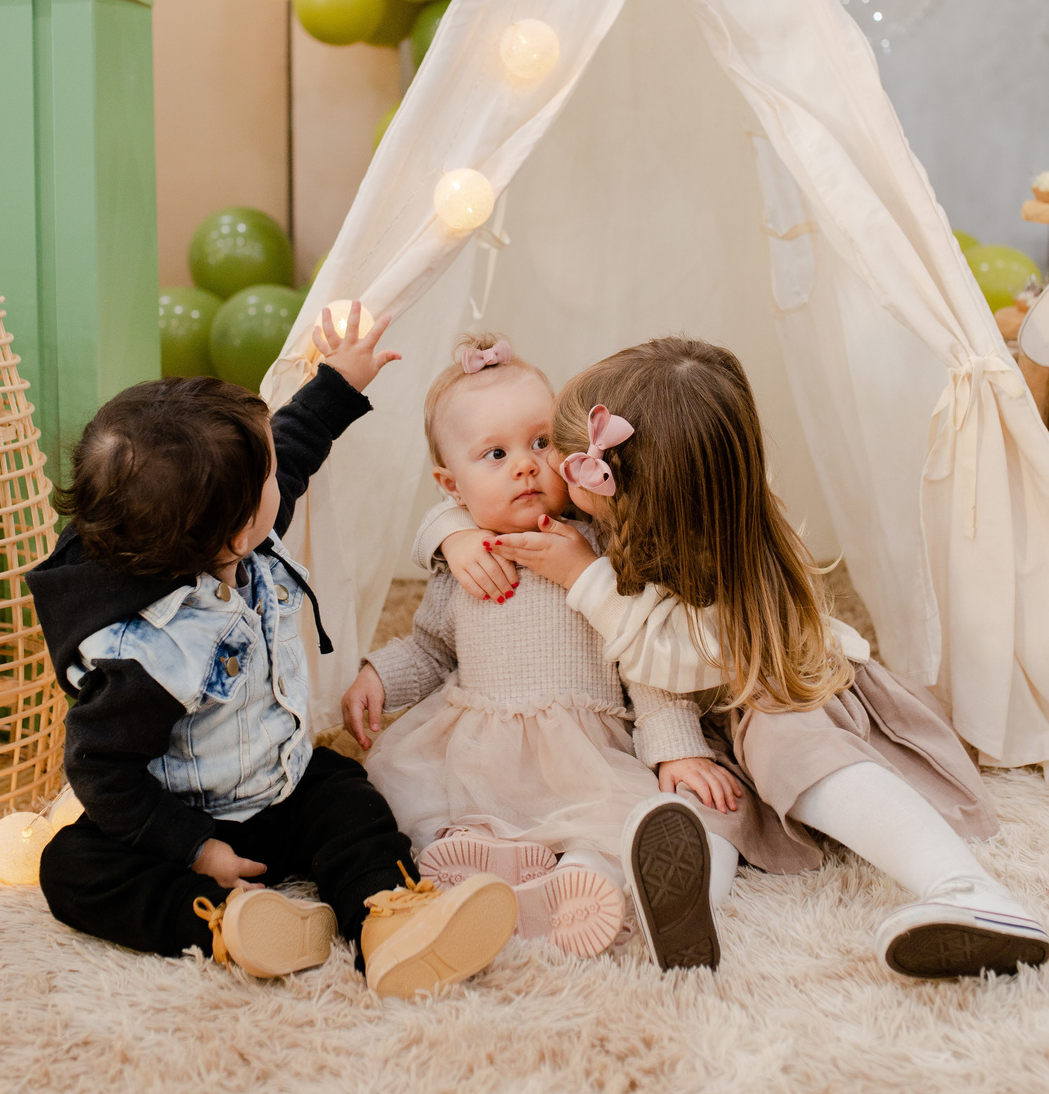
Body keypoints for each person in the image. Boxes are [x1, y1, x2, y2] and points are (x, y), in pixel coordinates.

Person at [488, 336, 1049, 982]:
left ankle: (965, 888)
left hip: (782, 694)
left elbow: (668, 659)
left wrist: (584, 578)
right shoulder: (650, 508)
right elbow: (462, 498)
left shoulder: (723, 560)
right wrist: (450, 537)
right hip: (702, 728)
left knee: (789, 744)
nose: (546, 466)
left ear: (622, 489)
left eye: (560, 456)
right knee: (694, 797)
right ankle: (686, 915)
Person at [28, 304, 516, 999]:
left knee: (348, 796)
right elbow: (102, 772)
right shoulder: (149, 656)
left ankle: (387, 920)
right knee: (70, 867)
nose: (279, 479)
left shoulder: (232, 535)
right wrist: (197, 848)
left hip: (279, 787)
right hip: (188, 820)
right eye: (267, 478)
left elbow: (294, 440)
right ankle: (221, 923)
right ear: (233, 530)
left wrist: (338, 382)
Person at [341, 335, 807, 969]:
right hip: (482, 743)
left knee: (614, 819)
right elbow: (431, 649)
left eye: (541, 443)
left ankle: (580, 879)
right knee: (430, 805)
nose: (525, 467)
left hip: (584, 745)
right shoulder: (465, 561)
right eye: (496, 454)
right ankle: (484, 867)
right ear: (451, 486)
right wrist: (378, 675)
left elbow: (641, 655)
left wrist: (676, 746)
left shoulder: (603, 545)